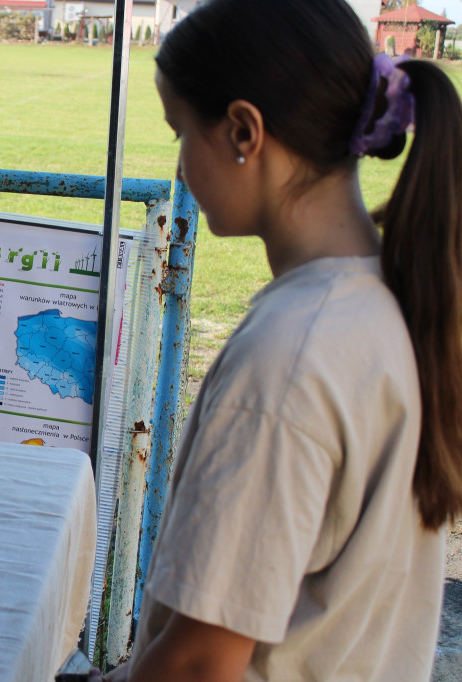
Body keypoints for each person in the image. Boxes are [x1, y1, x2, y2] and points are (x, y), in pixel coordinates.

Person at [94, 0, 462, 679]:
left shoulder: (288, 359)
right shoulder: (393, 298)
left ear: (242, 131)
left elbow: (202, 662)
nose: (179, 169)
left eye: (181, 132)